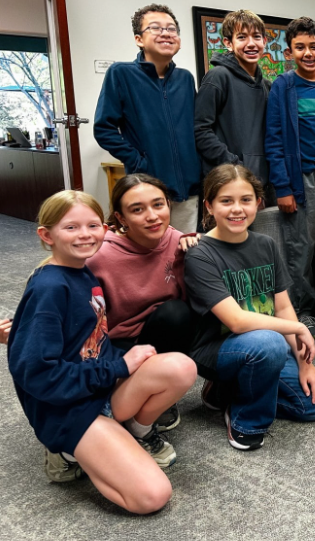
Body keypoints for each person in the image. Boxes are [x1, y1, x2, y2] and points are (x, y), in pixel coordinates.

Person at [7, 190, 197, 513]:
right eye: (71, 228)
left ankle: (127, 435)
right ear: (46, 235)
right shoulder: (49, 287)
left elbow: (86, 340)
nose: (85, 235)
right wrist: (120, 367)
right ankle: (67, 453)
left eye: (93, 225)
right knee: (153, 496)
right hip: (68, 408)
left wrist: (117, 368)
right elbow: (38, 375)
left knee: (182, 368)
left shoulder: (82, 272)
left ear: (106, 228)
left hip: (98, 388)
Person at [184, 164, 315, 450]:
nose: (237, 209)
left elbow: (284, 307)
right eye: (226, 201)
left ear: (258, 203)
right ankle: (245, 420)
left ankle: (230, 390)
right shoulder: (200, 255)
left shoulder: (265, 244)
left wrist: (305, 364)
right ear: (209, 206)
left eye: (246, 200)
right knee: (270, 343)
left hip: (265, 346)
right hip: (218, 349)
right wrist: (299, 327)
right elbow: (238, 322)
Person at [86, 173, 200, 432]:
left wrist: (202, 248)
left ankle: (159, 393)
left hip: (165, 332)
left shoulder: (178, 241)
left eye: (158, 205)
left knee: (178, 313)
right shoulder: (100, 255)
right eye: (137, 210)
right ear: (121, 218)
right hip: (117, 341)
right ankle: (133, 394)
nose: (152, 216)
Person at [265, 16, 315, 339]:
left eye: (314, 47)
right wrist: (282, 187)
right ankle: (304, 308)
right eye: (300, 47)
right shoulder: (282, 88)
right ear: (289, 52)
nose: (308, 53)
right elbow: (273, 139)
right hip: (299, 181)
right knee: (301, 248)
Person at [94, 4, 200, 234]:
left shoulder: (185, 78)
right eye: (155, 28)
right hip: (147, 188)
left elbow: (196, 128)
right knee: (150, 255)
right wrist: (139, 161)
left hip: (189, 189)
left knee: (184, 252)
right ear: (139, 39)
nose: (166, 33)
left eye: (171, 29)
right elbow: (104, 128)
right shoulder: (121, 74)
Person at [194, 9, 275, 204]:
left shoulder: (267, 86)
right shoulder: (217, 77)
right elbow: (201, 130)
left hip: (260, 185)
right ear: (228, 44)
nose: (251, 43)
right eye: (242, 37)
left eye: (256, 37)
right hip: (227, 182)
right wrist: (235, 165)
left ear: (265, 41)